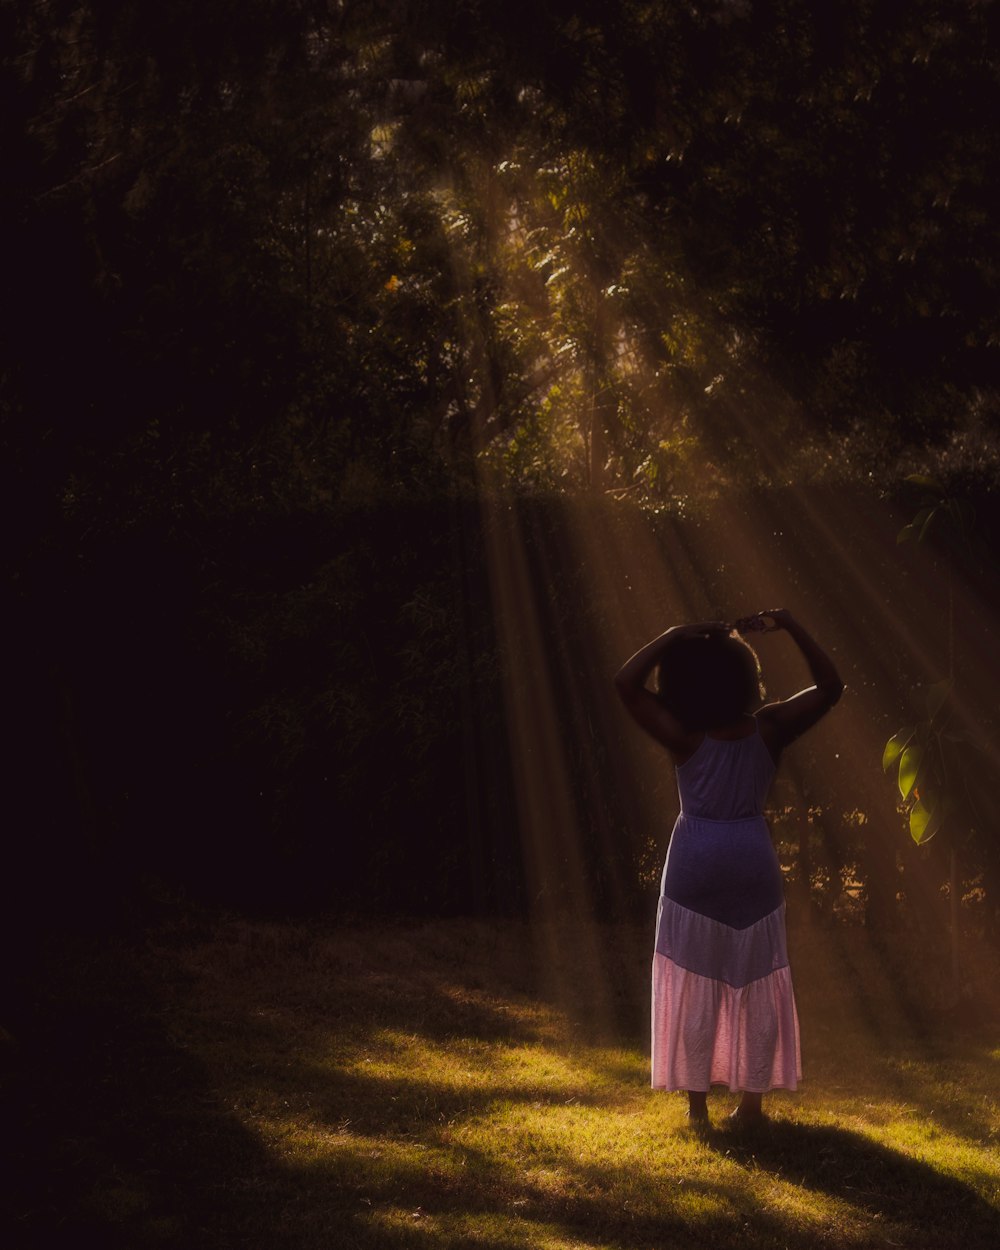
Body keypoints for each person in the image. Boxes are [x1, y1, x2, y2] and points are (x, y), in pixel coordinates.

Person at [614, 610, 843, 1126]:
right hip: (752, 859)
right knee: (755, 979)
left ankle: (697, 1110)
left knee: (697, 981)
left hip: (695, 860)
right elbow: (831, 686)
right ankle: (751, 1106)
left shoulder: (684, 737)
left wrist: (672, 634)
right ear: (745, 675)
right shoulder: (770, 729)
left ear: (684, 685)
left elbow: (625, 684)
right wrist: (790, 624)